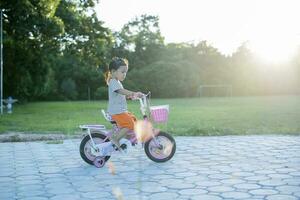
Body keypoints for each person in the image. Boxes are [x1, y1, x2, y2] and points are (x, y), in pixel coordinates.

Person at [105, 57, 144, 149]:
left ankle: (128, 138)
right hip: (116, 111)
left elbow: (120, 94)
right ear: (113, 71)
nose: (124, 74)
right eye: (122, 72)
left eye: (125, 72)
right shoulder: (113, 82)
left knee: (133, 119)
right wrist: (134, 93)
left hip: (121, 110)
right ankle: (116, 139)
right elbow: (121, 91)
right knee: (129, 124)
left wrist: (130, 96)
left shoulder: (117, 82)